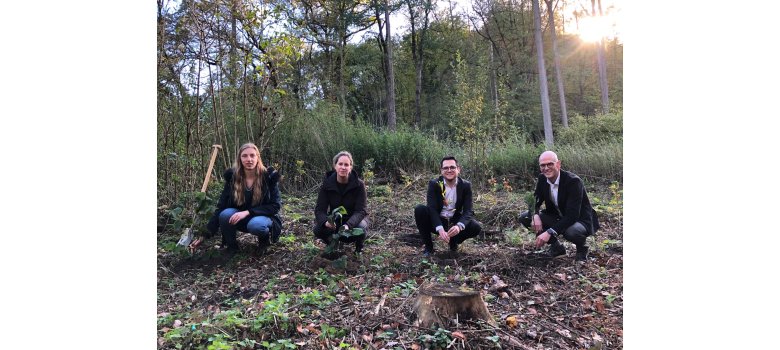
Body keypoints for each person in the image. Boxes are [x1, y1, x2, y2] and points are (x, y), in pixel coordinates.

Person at [189, 143, 282, 255]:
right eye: (245, 156)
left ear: (258, 157)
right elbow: (221, 206)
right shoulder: (232, 178)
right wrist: (205, 235)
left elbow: (275, 206)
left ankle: (264, 243)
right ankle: (232, 247)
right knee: (224, 214)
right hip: (241, 220)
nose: (249, 159)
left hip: (262, 219)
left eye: (252, 155)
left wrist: (247, 212)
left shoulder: (269, 177)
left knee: (256, 225)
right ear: (239, 159)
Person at [519, 150, 600, 261]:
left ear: (558, 164)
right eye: (543, 165)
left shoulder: (573, 182)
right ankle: (557, 247)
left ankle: (582, 248)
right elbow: (534, 201)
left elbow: (572, 215)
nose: (546, 168)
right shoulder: (542, 178)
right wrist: (535, 215)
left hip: (580, 220)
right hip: (558, 216)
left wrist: (549, 232)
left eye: (550, 164)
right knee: (526, 217)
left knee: (571, 231)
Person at [414, 156, 482, 256]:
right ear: (441, 171)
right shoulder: (434, 184)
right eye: (445, 168)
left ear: (458, 169)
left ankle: (453, 241)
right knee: (420, 210)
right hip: (438, 219)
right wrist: (439, 228)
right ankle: (429, 248)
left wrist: (459, 226)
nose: (449, 170)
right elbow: (432, 209)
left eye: (452, 167)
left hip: (453, 220)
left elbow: (468, 210)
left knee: (476, 227)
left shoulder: (465, 185)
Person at [314, 151, 369, 254]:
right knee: (318, 229)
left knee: (361, 228)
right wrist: (326, 222)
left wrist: (348, 225)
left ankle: (359, 248)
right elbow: (319, 210)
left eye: (346, 165)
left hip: (354, 221)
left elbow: (361, 211)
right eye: (340, 164)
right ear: (335, 166)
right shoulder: (327, 184)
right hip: (336, 220)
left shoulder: (359, 185)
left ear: (350, 167)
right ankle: (332, 245)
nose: (343, 167)